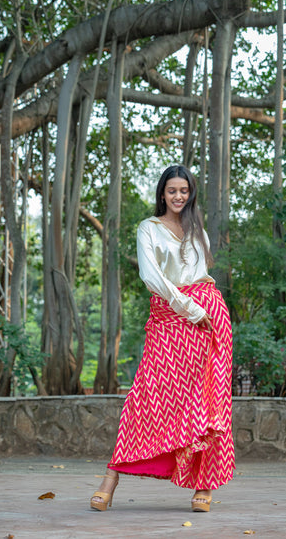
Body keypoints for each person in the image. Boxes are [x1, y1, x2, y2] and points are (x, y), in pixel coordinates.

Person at [90, 164, 234, 512]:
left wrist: (204, 312)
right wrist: (189, 309)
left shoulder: (198, 230)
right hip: (172, 318)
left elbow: (202, 275)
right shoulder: (149, 229)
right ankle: (110, 479)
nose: (179, 196)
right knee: (145, 396)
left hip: (209, 319)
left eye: (184, 190)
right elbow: (151, 275)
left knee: (207, 402)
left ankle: (204, 486)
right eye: (172, 191)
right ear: (162, 194)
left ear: (191, 193)